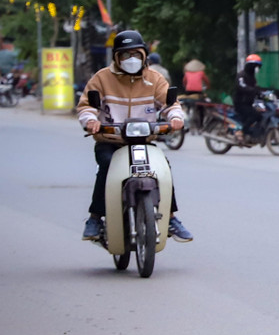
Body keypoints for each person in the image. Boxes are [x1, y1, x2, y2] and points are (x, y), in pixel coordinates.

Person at [76, 30, 193, 242]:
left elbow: (170, 104)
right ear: (116, 57)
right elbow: (86, 106)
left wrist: (176, 118)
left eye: (136, 54)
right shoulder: (101, 78)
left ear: (144, 55)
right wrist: (91, 121)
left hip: (144, 142)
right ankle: (94, 218)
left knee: (162, 168)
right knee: (106, 166)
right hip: (110, 141)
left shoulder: (155, 79)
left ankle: (171, 218)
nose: (132, 59)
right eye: (125, 55)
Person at [233, 54, 263, 139]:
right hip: (240, 103)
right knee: (255, 115)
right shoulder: (241, 75)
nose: (255, 68)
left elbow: (255, 87)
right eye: (254, 66)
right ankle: (242, 131)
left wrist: (261, 93)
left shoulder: (252, 77)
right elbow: (242, 86)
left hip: (248, 103)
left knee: (261, 114)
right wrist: (254, 90)